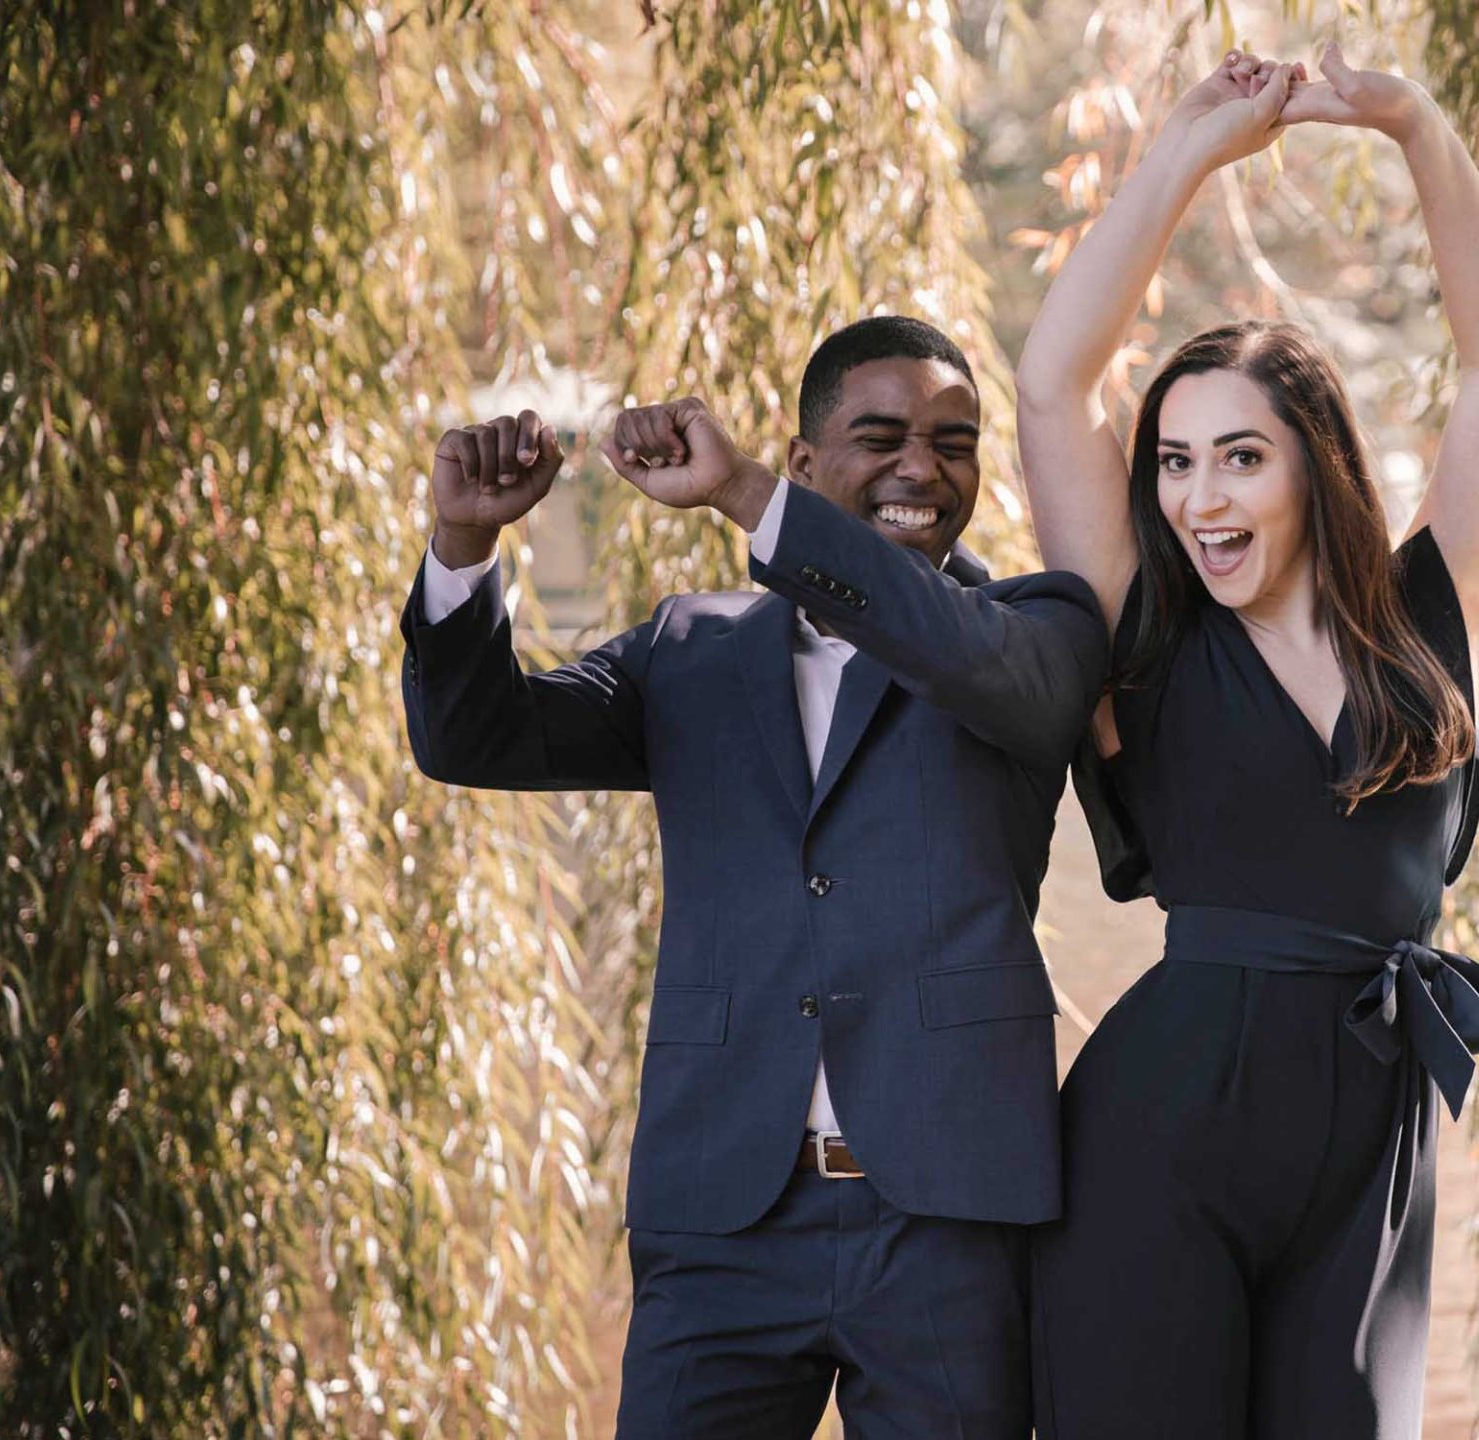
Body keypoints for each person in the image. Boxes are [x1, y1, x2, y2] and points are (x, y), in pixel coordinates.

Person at [399, 316, 1106, 1438]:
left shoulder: (1033, 633)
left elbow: (973, 663)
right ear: (809, 461)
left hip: (947, 1223)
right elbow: (476, 742)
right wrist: (462, 547)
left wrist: (743, 500)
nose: (920, 465)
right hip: (721, 1214)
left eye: (952, 441)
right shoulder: (691, 649)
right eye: (879, 436)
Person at [1014, 46, 1479, 1437]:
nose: (1199, 499)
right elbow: (1051, 389)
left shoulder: (1435, 613)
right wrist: (1188, 150)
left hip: (1373, 1153)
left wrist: (1417, 126)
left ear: (1316, 462)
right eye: (1176, 463)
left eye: (1240, 456)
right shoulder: (1150, 637)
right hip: (1161, 1144)